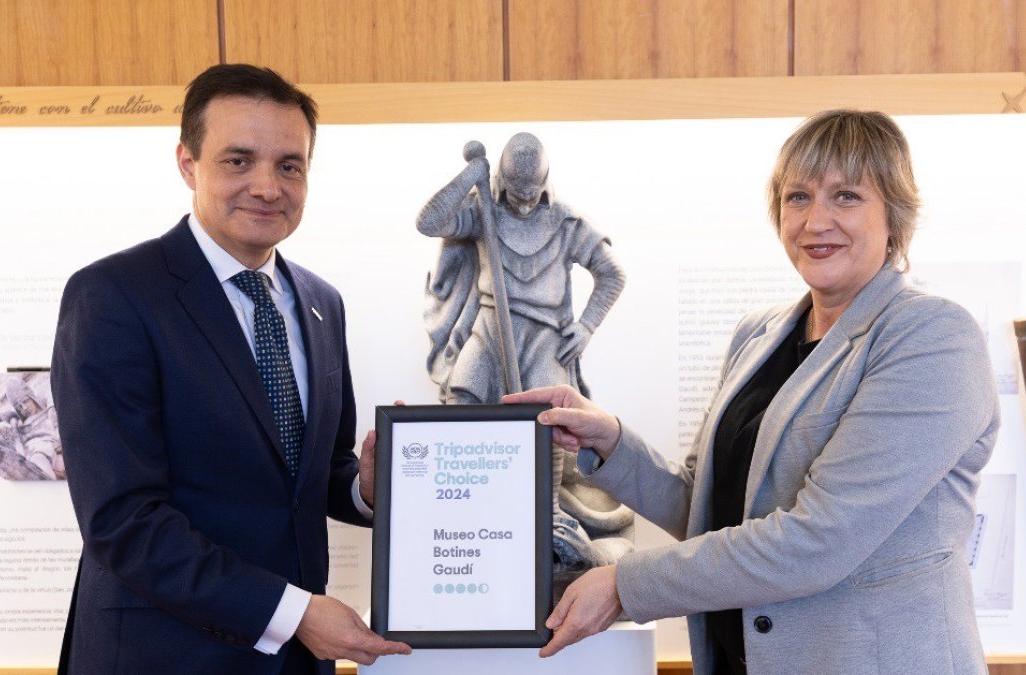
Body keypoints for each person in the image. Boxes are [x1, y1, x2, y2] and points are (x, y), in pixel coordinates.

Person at [507, 110, 1000, 675]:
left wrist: (625, 585)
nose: (816, 221)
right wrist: (612, 443)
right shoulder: (758, 335)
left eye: (846, 196)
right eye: (797, 197)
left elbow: (820, 540)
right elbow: (710, 510)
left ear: (895, 213)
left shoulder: (932, 337)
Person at [51, 64, 410, 674]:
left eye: (289, 166)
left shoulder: (321, 303)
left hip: (295, 661)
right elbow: (123, 521)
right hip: (160, 657)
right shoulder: (113, 295)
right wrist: (294, 613)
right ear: (188, 164)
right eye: (238, 160)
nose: (267, 187)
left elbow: (312, 474)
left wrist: (365, 489)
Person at [418, 132, 634, 573]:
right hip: (490, 327)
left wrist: (586, 327)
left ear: (545, 181)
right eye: (515, 192)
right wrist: (470, 175)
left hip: (544, 335)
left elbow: (612, 273)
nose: (522, 203)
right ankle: (469, 508)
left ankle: (547, 512)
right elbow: (429, 222)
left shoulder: (567, 222)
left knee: (550, 422)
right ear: (500, 179)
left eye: (531, 192)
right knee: (463, 401)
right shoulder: (483, 211)